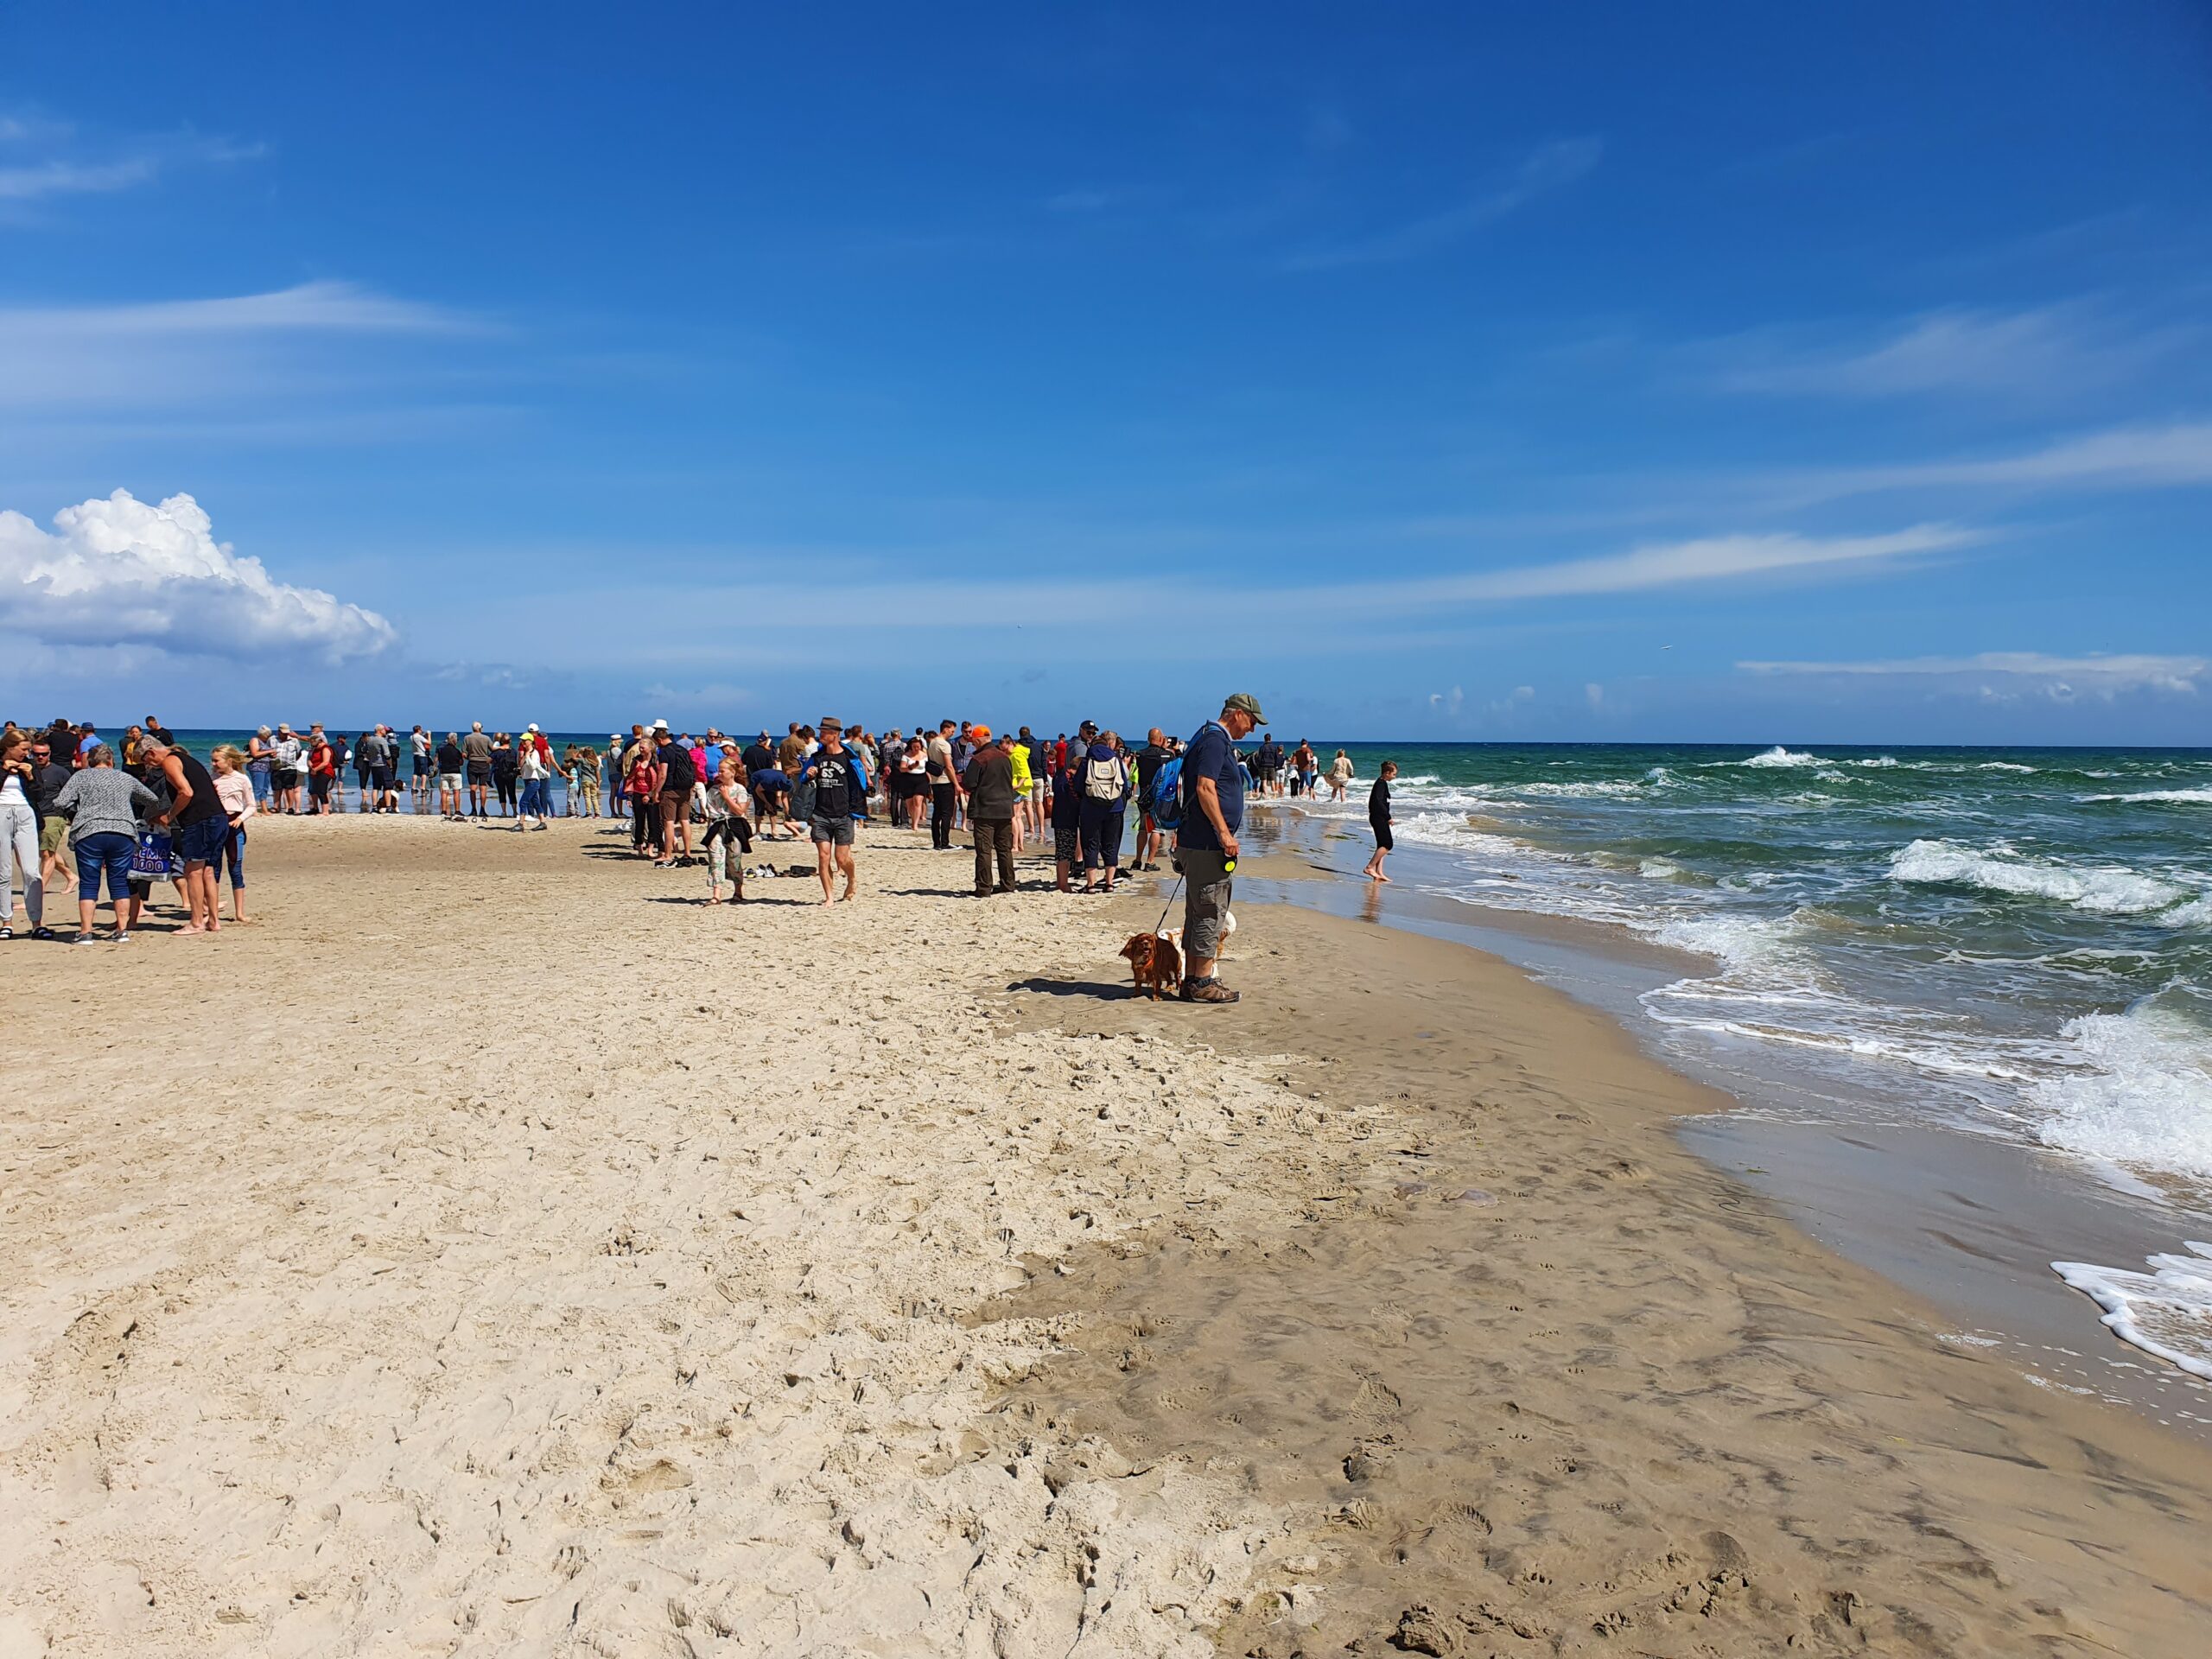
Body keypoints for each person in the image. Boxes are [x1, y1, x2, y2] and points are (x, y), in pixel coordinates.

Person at [1174, 693, 1262, 1004]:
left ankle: (1192, 979)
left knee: (1199, 911)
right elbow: (1205, 787)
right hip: (1207, 844)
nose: (1252, 729)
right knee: (1210, 912)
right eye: (1252, 721)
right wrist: (1225, 834)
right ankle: (1202, 981)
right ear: (1237, 714)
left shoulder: (1206, 736)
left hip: (1197, 841)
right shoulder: (1214, 740)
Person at [53, 745, 157, 943]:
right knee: (119, 882)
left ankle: (86, 932)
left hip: (90, 831)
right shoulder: (125, 777)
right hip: (122, 832)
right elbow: (151, 798)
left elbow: (60, 802)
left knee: (89, 883)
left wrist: (73, 813)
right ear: (111, 761)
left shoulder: (81, 777)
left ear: (90, 761)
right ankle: (122, 930)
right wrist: (139, 813)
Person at [140, 734, 228, 935]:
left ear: (151, 752)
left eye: (144, 760)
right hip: (217, 817)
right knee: (208, 871)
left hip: (201, 821)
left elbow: (186, 792)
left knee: (193, 871)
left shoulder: (170, 761)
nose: (147, 765)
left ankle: (196, 923)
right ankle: (213, 921)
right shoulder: (185, 758)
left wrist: (169, 816)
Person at [797, 717, 868, 902]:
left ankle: (851, 879)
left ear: (834, 734)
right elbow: (803, 778)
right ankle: (829, 897)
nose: (820, 735)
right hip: (820, 814)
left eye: (824, 732)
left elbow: (859, 784)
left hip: (843, 814)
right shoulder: (817, 757)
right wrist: (808, 775)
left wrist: (857, 810)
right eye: (820, 732)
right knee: (823, 856)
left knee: (842, 859)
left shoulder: (848, 758)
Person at [0, 729, 53, 938]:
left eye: (28, 750)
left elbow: (39, 795)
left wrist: (30, 776)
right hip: (2, 811)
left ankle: (36, 923)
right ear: (9, 747)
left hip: (25, 814)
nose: (26, 754)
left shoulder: (29, 765)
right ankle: (6, 922)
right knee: (3, 872)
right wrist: (5, 770)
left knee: (32, 871)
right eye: (23, 750)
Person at [963, 731, 1020, 897]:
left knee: (984, 850)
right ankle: (1008, 884)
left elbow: (969, 783)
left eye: (973, 741)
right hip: (1004, 809)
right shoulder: (1005, 757)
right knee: (1004, 849)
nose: (973, 744)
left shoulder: (979, 759)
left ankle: (984, 887)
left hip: (985, 810)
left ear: (979, 740)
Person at [1077, 731, 1130, 893]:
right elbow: (1124, 785)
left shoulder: (1087, 761)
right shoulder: (1116, 760)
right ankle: (1109, 883)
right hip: (1114, 807)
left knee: (1090, 844)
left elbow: (1078, 785)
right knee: (1111, 844)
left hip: (1091, 808)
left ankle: (1091, 885)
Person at [210, 744, 255, 922]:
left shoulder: (241, 779)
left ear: (229, 761)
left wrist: (240, 819)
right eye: (212, 760)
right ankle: (212, 912)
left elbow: (251, 806)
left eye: (216, 761)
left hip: (235, 827)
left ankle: (240, 913)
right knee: (213, 870)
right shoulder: (211, 779)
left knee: (235, 868)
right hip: (216, 825)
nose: (213, 764)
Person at [701, 754, 752, 905]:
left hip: (734, 827)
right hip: (717, 826)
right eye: (719, 771)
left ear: (732, 772)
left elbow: (740, 811)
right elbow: (712, 811)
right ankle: (716, 895)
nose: (719, 774)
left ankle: (738, 891)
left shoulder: (740, 789)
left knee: (734, 860)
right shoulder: (713, 790)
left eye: (723, 771)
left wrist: (727, 797)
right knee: (716, 859)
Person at [652, 721, 696, 865]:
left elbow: (663, 774)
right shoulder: (682, 750)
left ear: (659, 740)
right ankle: (687, 852)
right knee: (685, 821)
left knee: (668, 822)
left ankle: (668, 854)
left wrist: (657, 791)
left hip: (670, 789)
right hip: (685, 789)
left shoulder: (665, 751)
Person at [1048, 741, 1086, 893]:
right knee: (1065, 854)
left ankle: (1060, 882)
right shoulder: (1069, 781)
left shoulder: (1060, 776)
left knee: (1062, 853)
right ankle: (1063, 884)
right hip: (1066, 819)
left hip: (1059, 818)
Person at [1132, 728, 1169, 873]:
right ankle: (1150, 861)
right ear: (1161, 739)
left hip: (1144, 794)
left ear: (1148, 739)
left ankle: (1137, 860)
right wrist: (1166, 749)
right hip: (1159, 795)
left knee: (1142, 828)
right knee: (1156, 829)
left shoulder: (1140, 754)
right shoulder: (1166, 755)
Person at [1363, 760, 1398, 882]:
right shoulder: (1380, 784)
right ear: (1387, 773)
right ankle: (1369, 867)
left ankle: (1379, 872)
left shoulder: (1382, 783)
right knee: (1387, 845)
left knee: (1381, 845)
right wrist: (1388, 817)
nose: (1395, 776)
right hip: (1378, 817)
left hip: (1379, 817)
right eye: (1394, 774)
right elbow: (1378, 801)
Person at [926, 721, 959, 850]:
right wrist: (956, 784)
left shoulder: (932, 743)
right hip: (945, 781)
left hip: (935, 781)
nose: (953, 733)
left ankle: (937, 842)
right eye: (952, 731)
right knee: (946, 813)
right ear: (945, 729)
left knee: (937, 813)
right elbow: (949, 766)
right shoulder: (944, 744)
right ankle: (945, 842)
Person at [1004, 731, 1034, 855]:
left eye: (1005, 748)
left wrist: (1017, 785)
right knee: (1017, 816)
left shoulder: (1016, 755)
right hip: (1023, 788)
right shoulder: (1020, 752)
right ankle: (1020, 844)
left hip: (1019, 788)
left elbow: (1024, 772)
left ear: (1010, 744)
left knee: (1013, 817)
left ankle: (1015, 845)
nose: (1004, 751)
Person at [515, 728, 551, 830]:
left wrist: (527, 757)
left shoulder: (534, 753)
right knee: (536, 802)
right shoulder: (526, 753)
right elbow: (523, 766)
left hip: (533, 781)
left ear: (530, 741)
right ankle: (543, 822)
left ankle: (521, 824)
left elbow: (533, 766)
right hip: (527, 780)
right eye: (522, 740)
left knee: (523, 802)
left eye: (524, 741)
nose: (522, 742)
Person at [460, 722, 495, 818]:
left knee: (473, 788)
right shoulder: (486, 738)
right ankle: (482, 809)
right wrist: (490, 758)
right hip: (484, 764)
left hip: (472, 763)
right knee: (483, 788)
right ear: (480, 728)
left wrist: (469, 757)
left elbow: (464, 754)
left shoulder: (467, 738)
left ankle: (474, 809)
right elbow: (493, 750)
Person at [436, 733, 466, 820]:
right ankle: (457, 811)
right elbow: (461, 763)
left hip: (444, 772)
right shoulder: (457, 751)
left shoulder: (442, 750)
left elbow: (440, 760)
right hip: (455, 772)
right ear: (454, 740)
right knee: (456, 792)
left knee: (444, 792)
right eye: (457, 740)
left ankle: (444, 811)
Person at [248, 726, 275, 808]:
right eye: (266, 735)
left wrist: (272, 754)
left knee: (265, 788)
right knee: (258, 788)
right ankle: (253, 808)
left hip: (267, 767)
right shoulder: (255, 740)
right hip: (257, 767)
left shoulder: (267, 742)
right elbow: (255, 754)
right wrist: (269, 751)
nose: (268, 736)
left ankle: (264, 808)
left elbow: (266, 753)